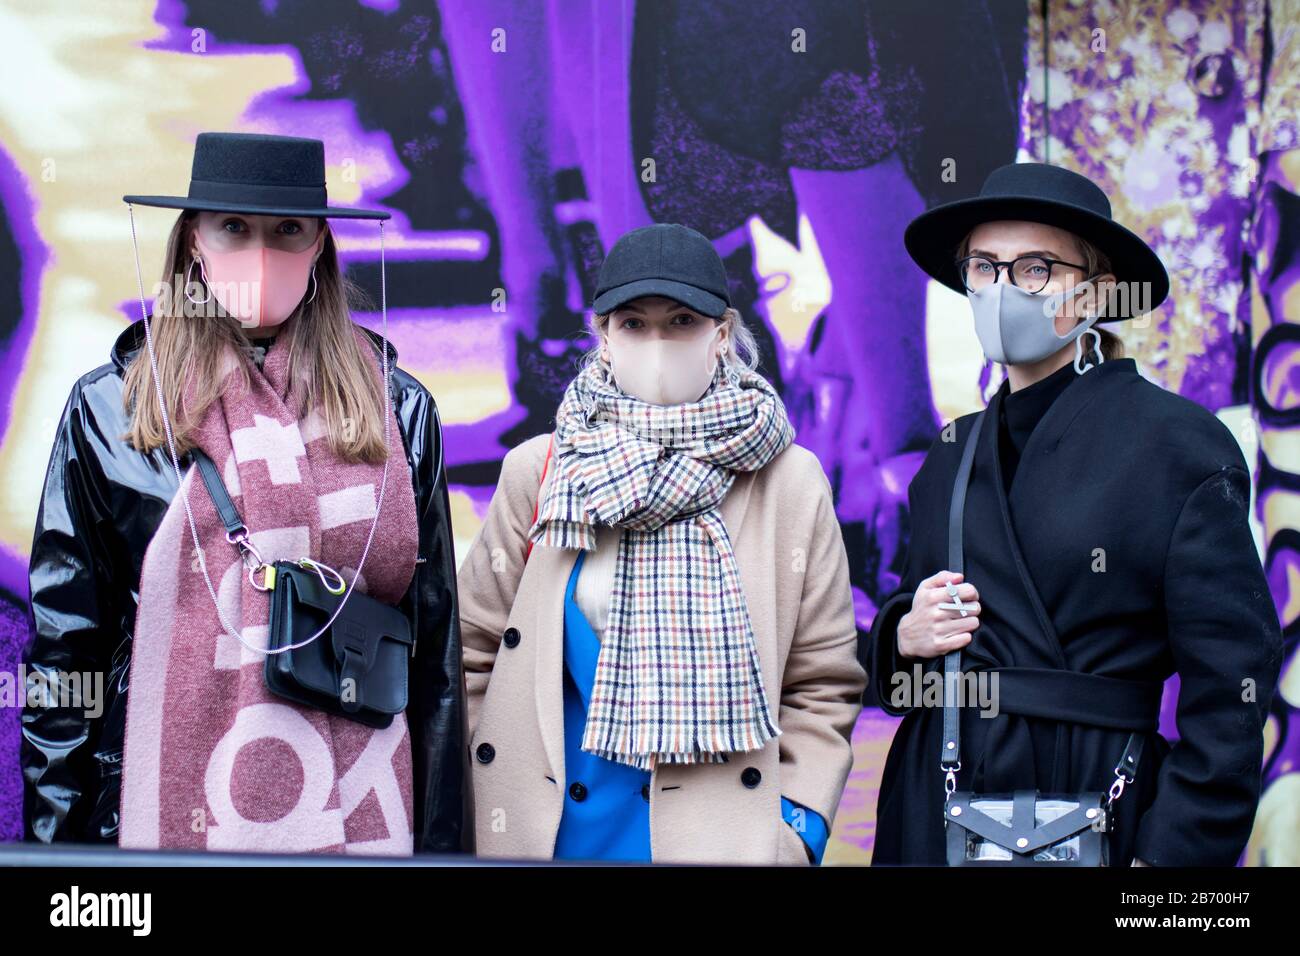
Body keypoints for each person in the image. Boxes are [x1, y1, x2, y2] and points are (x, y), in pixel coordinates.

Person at [20, 132, 471, 855]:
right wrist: (57, 857)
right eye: (234, 227)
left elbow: (434, 658)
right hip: (153, 827)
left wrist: (445, 856)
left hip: (365, 819)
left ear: (320, 241)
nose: (261, 251)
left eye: (286, 229)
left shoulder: (400, 409)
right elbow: (67, 655)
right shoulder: (113, 410)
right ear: (194, 241)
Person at [865, 162, 1284, 866]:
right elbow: (910, 660)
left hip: (1097, 804)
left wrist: (1171, 860)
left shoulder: (1178, 445)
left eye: (1035, 268)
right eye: (984, 267)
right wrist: (902, 635)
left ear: (1093, 293)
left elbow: (1231, 688)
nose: (1002, 290)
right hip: (934, 804)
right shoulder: (950, 455)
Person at [456, 223, 865, 864]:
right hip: (549, 836)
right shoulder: (543, 469)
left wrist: (795, 831)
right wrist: (486, 788)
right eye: (633, 324)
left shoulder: (790, 482)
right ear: (604, 337)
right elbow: (472, 651)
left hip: (717, 843)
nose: (656, 343)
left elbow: (822, 682)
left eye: (680, 321)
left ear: (721, 335)